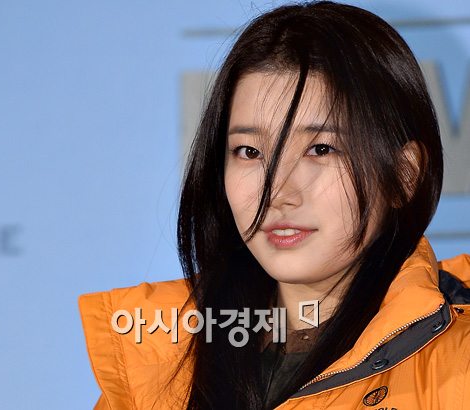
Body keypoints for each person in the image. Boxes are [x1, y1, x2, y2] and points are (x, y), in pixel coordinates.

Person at [79, 2, 470, 409]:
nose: (277, 192)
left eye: (321, 149)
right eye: (249, 152)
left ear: (404, 175)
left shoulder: (459, 364)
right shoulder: (155, 362)